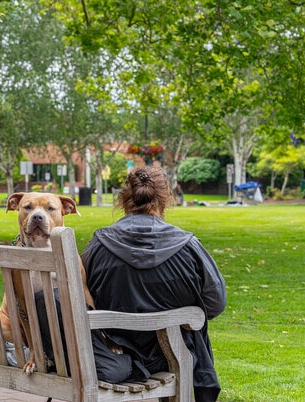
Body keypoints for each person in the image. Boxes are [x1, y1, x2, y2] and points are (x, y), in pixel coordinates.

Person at [80, 166, 226, 401]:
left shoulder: (98, 244)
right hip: (171, 353)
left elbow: (81, 295)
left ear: (124, 199)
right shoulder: (188, 245)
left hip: (111, 353)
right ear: (165, 199)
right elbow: (215, 304)